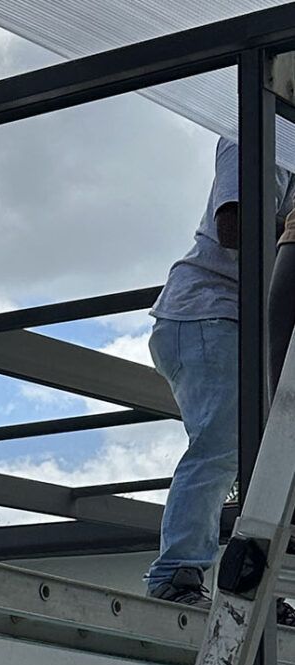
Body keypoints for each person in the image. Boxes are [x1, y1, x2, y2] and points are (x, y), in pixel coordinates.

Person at [147, 136, 295, 626]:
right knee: (223, 445)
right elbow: (233, 225)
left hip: (237, 321)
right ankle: (175, 574)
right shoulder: (257, 133)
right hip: (208, 312)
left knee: (256, 457)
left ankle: (252, 589)